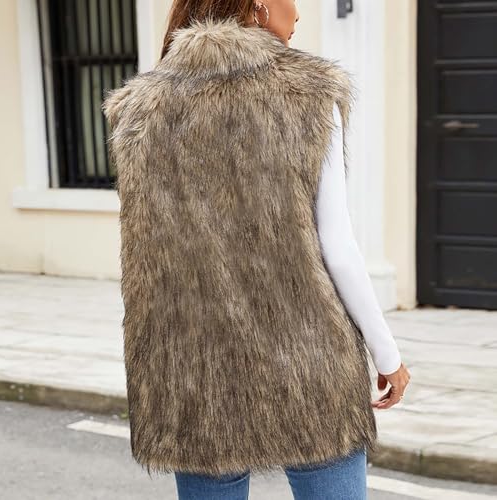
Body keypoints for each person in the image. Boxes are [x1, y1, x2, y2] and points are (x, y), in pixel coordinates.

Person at [102, 1, 411, 499]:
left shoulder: (137, 108)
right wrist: (387, 355)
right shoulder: (308, 93)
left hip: (191, 364)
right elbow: (337, 246)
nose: (298, 13)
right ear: (258, 6)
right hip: (307, 355)